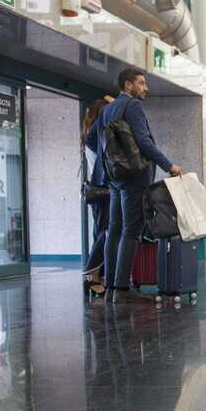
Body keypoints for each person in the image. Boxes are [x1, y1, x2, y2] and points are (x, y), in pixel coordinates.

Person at [92, 68, 182, 305]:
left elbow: (94, 140)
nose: (146, 88)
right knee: (131, 230)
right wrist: (169, 165)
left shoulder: (107, 109)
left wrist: (112, 165)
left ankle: (111, 287)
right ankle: (122, 288)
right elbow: (143, 141)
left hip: (115, 178)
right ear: (128, 85)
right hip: (135, 177)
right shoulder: (133, 106)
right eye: (141, 83)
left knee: (114, 230)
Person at [81, 95, 113, 297]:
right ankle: (92, 274)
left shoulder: (93, 136)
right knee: (104, 231)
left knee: (101, 231)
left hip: (100, 190)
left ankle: (98, 275)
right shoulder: (94, 137)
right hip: (101, 189)